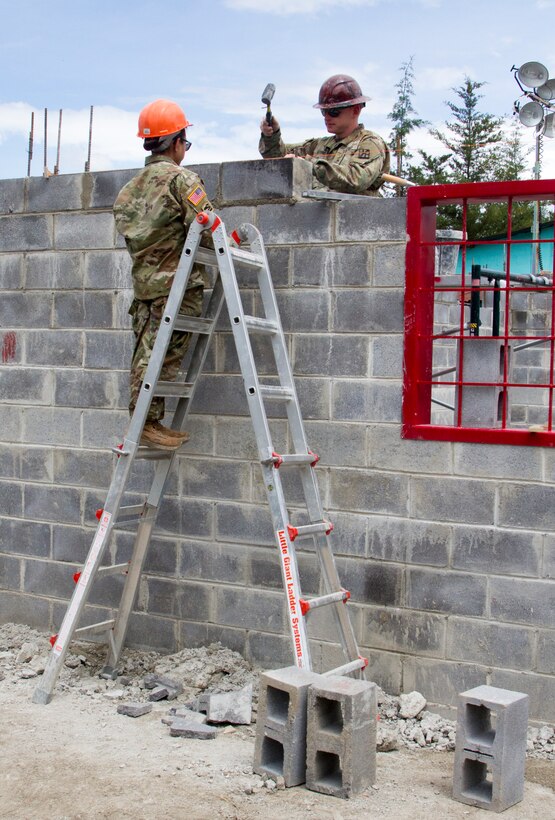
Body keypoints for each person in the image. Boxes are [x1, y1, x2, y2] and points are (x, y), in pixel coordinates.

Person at [114, 99, 214, 450]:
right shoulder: (182, 180)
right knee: (163, 354)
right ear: (175, 142)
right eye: (184, 142)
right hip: (177, 287)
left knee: (145, 352)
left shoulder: (128, 190)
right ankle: (146, 423)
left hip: (145, 286)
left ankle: (146, 419)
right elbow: (208, 225)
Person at [259, 74, 390, 196]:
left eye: (334, 111)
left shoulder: (370, 143)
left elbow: (356, 179)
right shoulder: (319, 146)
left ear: (355, 110)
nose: (327, 117)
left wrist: (309, 164)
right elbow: (278, 158)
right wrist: (272, 135)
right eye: (324, 111)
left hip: (355, 217)